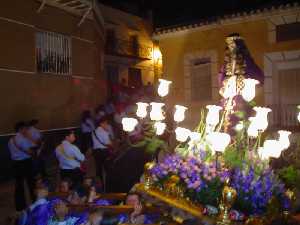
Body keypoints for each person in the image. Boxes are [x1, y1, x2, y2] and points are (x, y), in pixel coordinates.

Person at [8, 121, 36, 211]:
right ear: (20, 129)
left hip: (15, 164)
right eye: (25, 128)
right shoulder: (23, 139)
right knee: (31, 182)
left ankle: (20, 206)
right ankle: (35, 200)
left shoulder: (11, 140)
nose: (26, 130)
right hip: (25, 163)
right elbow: (30, 151)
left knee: (19, 185)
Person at [92, 116, 114, 189]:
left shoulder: (94, 131)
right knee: (108, 168)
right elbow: (108, 143)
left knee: (98, 168)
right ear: (101, 124)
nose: (107, 125)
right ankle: (108, 184)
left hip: (96, 152)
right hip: (104, 152)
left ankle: (99, 185)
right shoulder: (104, 132)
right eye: (106, 123)